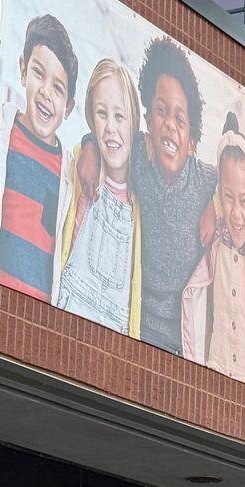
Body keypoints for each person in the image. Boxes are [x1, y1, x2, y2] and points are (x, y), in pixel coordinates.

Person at [78, 37, 216, 354]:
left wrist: (213, 203)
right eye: (161, 111)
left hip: (181, 342)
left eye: (180, 119)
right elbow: (110, 139)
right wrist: (89, 147)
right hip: (136, 327)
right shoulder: (138, 152)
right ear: (149, 120)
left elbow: (233, 185)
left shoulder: (203, 180)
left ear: (192, 142)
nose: (169, 125)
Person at [0, 14, 79, 303]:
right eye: (38, 73)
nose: (46, 93)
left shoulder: (69, 171)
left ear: (68, 107)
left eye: (58, 88)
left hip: (38, 312)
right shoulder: (0, 130)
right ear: (23, 70)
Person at [55, 59, 142, 336]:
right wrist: (88, 145)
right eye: (102, 114)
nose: (111, 128)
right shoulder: (79, 166)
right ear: (91, 120)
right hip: (67, 311)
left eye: (120, 116)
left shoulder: (142, 197)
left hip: (117, 333)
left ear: (135, 122)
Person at [181, 112, 245, 390]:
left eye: (244, 200)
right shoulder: (215, 239)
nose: (236, 213)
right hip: (216, 369)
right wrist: (214, 204)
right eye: (228, 198)